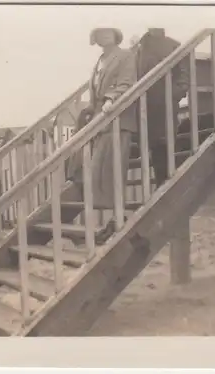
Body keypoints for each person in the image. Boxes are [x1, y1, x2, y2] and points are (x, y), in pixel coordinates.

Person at [67, 28, 138, 245]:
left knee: (110, 170)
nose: (103, 36)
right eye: (99, 34)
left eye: (107, 32)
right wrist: (90, 108)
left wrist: (111, 99)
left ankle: (116, 221)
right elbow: (96, 91)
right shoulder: (100, 61)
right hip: (100, 119)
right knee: (87, 166)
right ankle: (109, 222)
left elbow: (126, 82)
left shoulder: (125, 55)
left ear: (116, 35)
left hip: (117, 118)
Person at [135, 28, 189, 188]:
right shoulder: (140, 47)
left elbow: (184, 75)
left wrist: (174, 94)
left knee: (166, 144)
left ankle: (167, 186)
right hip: (145, 106)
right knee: (151, 146)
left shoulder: (173, 45)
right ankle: (159, 187)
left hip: (165, 103)